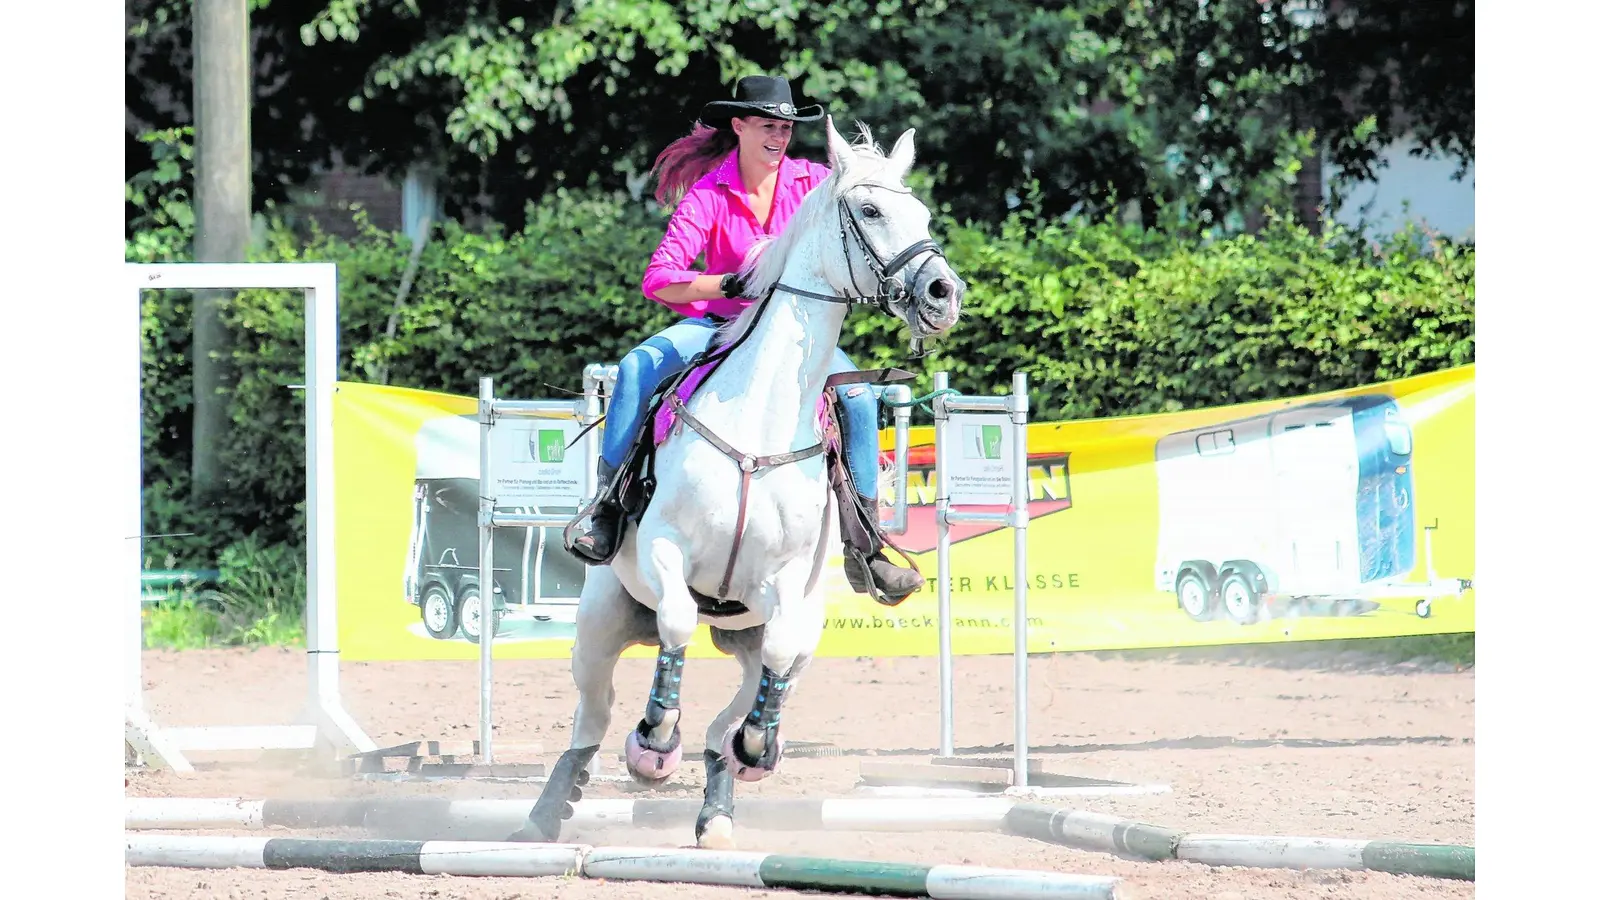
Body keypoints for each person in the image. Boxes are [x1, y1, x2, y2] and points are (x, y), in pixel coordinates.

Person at [568, 73, 924, 602]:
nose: (778, 137)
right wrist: (729, 283)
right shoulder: (708, 194)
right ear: (738, 126)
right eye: (766, 126)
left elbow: (867, 204)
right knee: (637, 367)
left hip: (796, 337)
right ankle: (608, 507)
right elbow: (660, 277)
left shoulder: (815, 182)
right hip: (716, 327)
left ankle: (865, 543)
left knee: (857, 395)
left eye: (785, 127)